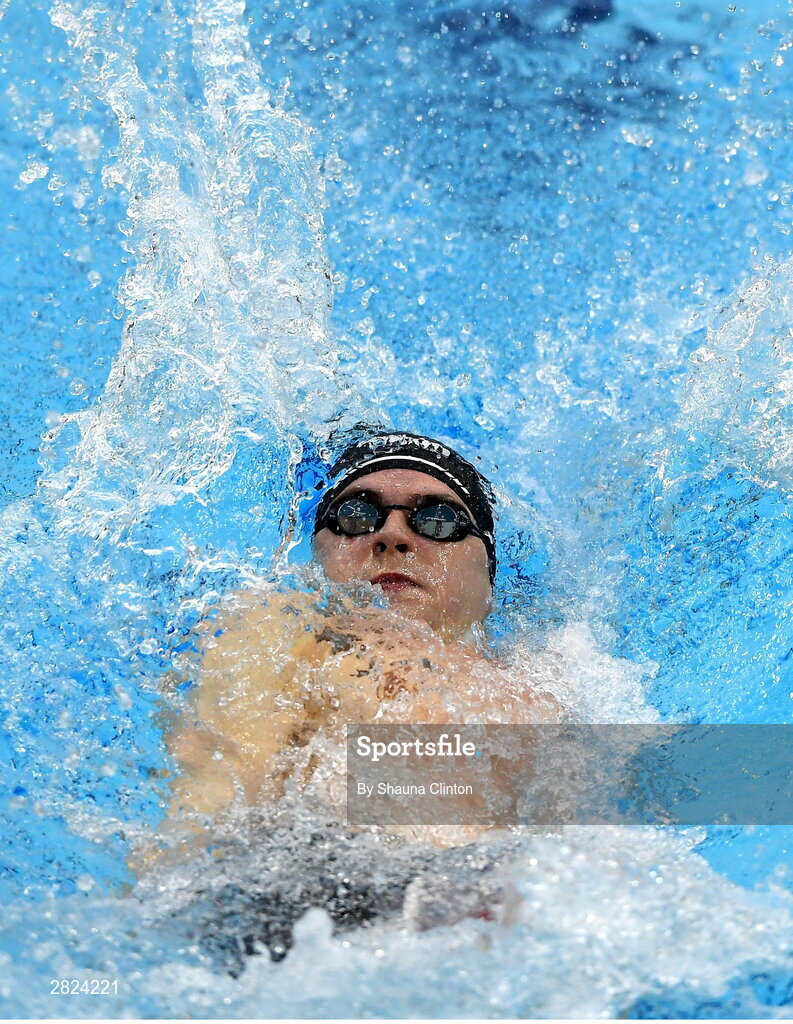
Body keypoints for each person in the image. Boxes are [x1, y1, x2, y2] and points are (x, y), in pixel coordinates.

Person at [164, 429, 561, 834]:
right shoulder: (264, 635)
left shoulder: (552, 687)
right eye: (357, 516)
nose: (392, 535)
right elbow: (208, 806)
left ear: (488, 581)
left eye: (438, 521)